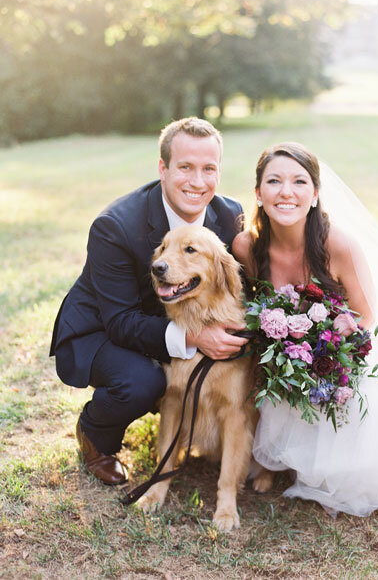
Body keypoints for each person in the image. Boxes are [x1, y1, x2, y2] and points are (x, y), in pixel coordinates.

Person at [232, 142, 378, 517]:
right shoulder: (246, 247)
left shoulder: (339, 245)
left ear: (315, 195)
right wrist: (286, 344)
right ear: (258, 193)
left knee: (358, 458)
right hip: (283, 357)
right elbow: (256, 309)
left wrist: (326, 350)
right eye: (274, 181)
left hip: (344, 349)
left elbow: (366, 317)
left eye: (300, 182)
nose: (286, 192)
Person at [50, 117, 247, 486]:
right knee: (145, 380)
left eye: (209, 169)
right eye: (185, 167)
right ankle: (95, 435)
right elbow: (122, 321)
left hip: (175, 320)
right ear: (163, 168)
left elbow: (236, 286)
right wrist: (194, 339)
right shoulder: (115, 225)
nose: (197, 181)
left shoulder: (229, 214)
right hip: (104, 328)